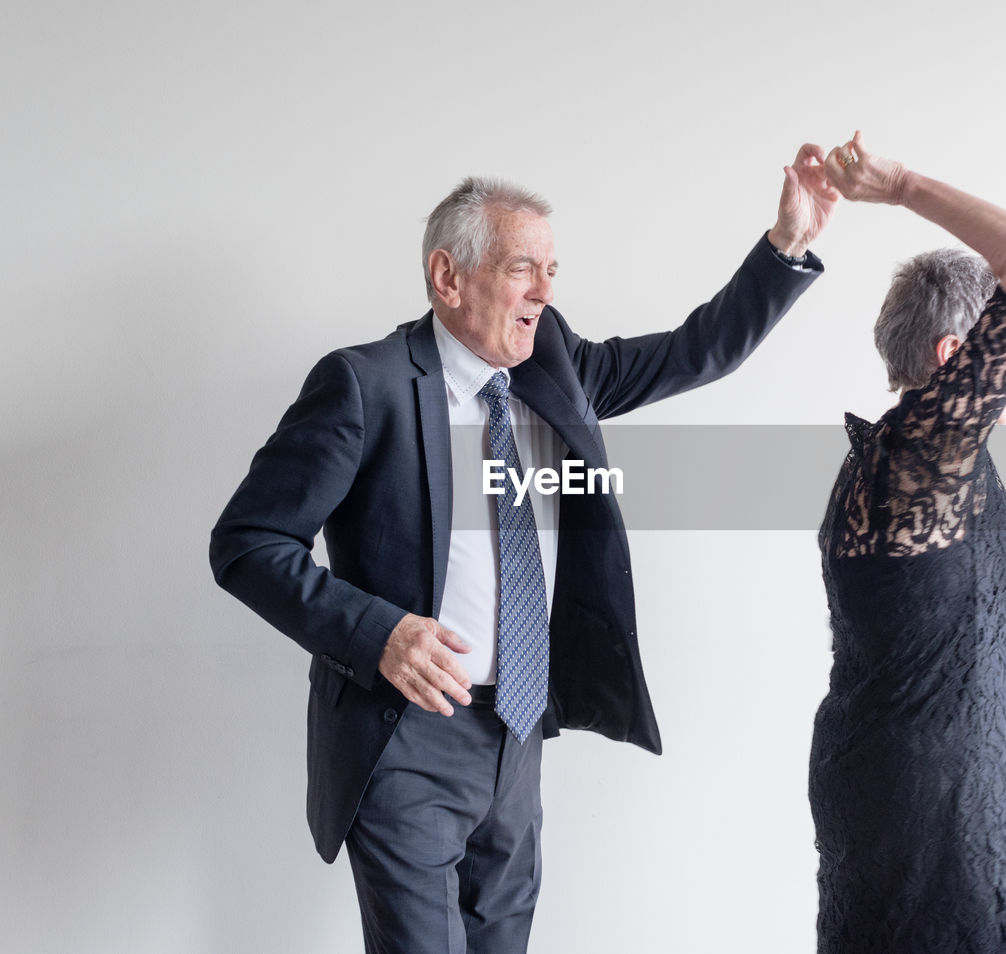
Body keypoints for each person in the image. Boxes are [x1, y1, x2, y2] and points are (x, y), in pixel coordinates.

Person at [209, 147, 839, 953]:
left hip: (517, 734)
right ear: (449, 278)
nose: (545, 290)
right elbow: (248, 543)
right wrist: (381, 633)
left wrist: (785, 244)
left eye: (551, 269)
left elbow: (696, 351)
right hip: (406, 737)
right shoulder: (363, 387)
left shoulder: (557, 369)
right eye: (522, 268)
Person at [809, 132, 1006, 953]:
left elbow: (904, 637)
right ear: (951, 358)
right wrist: (895, 183)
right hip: (935, 822)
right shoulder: (925, 460)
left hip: (910, 792)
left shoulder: (902, 465)